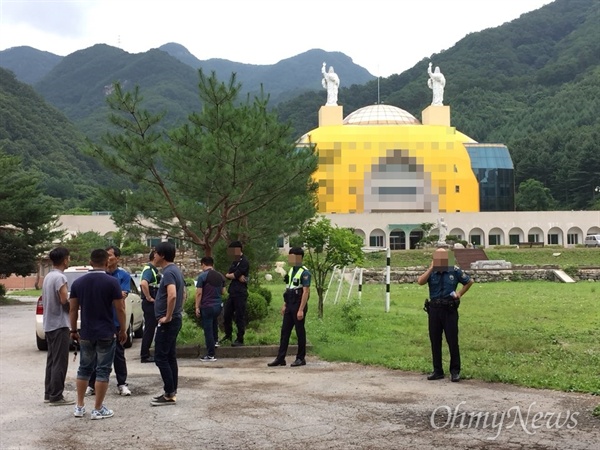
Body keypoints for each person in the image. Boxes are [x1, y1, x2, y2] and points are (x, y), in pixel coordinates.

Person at [69, 249, 126, 419]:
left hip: (86, 332)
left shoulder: (78, 283)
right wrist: (123, 329)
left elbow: (73, 309)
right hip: (106, 331)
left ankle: (79, 406)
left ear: (90, 262)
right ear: (106, 262)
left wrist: (73, 330)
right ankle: (97, 408)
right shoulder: (112, 282)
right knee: (103, 370)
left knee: (84, 368)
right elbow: (120, 308)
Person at [417, 248, 474, 382]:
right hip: (434, 309)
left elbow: (469, 281)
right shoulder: (432, 272)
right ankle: (437, 371)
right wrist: (431, 268)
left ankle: (455, 371)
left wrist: (459, 294)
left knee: (452, 340)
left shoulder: (453, 270)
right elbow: (420, 281)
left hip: (449, 309)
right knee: (435, 341)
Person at [85, 246, 132, 396]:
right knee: (94, 355)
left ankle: (122, 383)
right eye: (106, 255)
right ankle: (91, 385)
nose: (108, 258)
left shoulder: (123, 275)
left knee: (118, 354)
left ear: (117, 258)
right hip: (99, 320)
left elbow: (123, 295)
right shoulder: (98, 274)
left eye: (111, 255)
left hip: (116, 321)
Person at [151, 241, 186, 406]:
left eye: (156, 253)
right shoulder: (175, 271)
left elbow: (172, 295)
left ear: (162, 255)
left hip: (169, 322)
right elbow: (183, 293)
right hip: (175, 318)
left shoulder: (169, 273)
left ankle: (169, 393)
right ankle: (171, 392)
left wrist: (168, 316)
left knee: (161, 357)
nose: (154, 256)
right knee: (170, 356)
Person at [42, 246, 75, 405]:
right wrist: (75, 307)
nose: (69, 260)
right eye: (68, 258)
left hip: (49, 324)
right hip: (59, 324)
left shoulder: (48, 276)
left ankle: (49, 393)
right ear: (64, 260)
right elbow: (63, 300)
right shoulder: (61, 278)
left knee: (52, 360)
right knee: (60, 361)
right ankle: (57, 395)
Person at [268, 247, 311, 368]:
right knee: (285, 331)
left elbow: (306, 291)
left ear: (299, 258)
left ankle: (300, 358)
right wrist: (285, 304)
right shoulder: (291, 271)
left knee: (299, 331)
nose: (290, 259)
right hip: (290, 302)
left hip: (298, 302)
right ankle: (280, 358)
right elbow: (288, 288)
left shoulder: (305, 272)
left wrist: (301, 309)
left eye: (292, 256)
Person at [195, 256, 227, 362]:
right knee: (214, 324)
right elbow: (223, 292)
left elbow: (199, 293)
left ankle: (210, 354)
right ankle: (215, 342)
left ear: (203, 264)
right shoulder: (220, 276)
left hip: (207, 306)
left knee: (208, 330)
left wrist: (197, 307)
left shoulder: (202, 277)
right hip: (218, 306)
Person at [222, 241, 250, 347]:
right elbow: (228, 274)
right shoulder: (235, 261)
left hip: (240, 293)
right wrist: (233, 275)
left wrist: (234, 275)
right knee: (227, 315)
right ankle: (228, 335)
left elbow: (235, 274)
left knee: (239, 316)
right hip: (232, 292)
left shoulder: (244, 261)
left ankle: (240, 338)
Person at [140, 250, 161, 363]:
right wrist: (148, 297)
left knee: (151, 328)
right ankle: (145, 355)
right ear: (154, 256)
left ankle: (146, 353)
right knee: (149, 329)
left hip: (151, 303)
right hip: (149, 304)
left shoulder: (153, 269)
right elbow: (144, 283)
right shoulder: (149, 269)